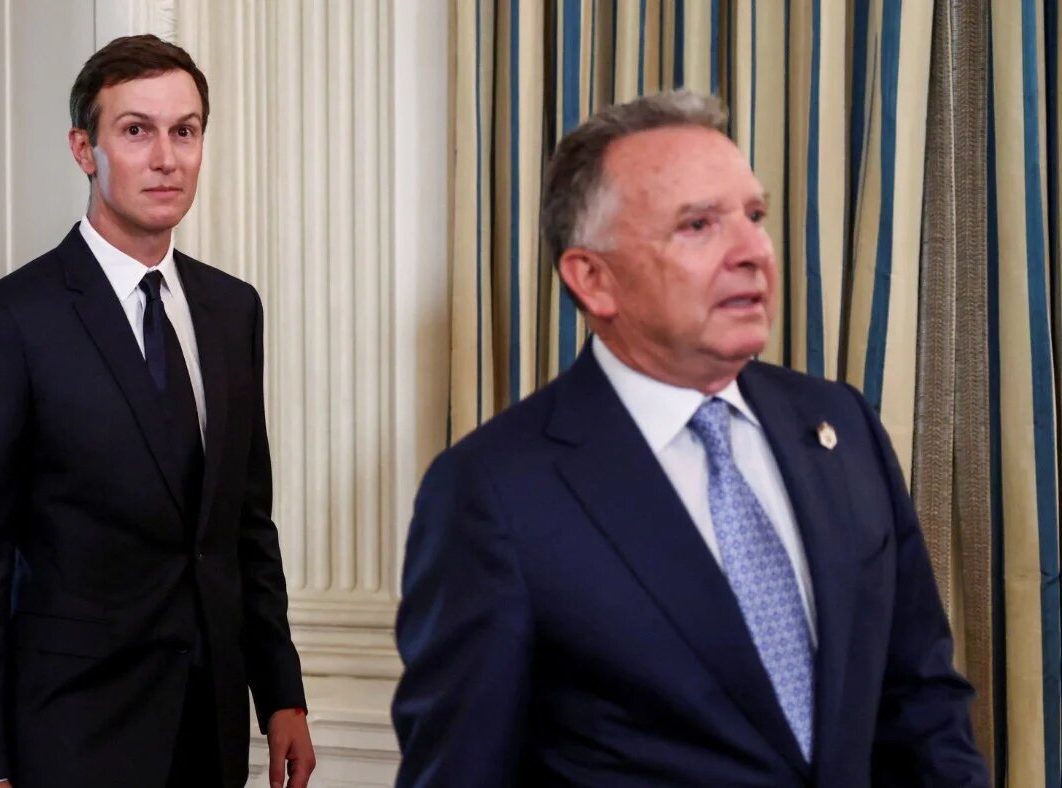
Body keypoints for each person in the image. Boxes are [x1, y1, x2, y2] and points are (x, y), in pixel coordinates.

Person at [392, 90, 988, 786]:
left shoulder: (841, 426)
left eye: (755, 216)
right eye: (699, 225)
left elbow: (919, 700)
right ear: (594, 278)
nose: (754, 252)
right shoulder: (494, 491)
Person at [0, 34, 315, 788]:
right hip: (71, 736)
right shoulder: (10, 320)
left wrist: (281, 695)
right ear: (85, 149)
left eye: (185, 130)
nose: (165, 157)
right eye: (136, 130)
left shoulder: (234, 310)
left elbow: (242, 528)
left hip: (210, 732)